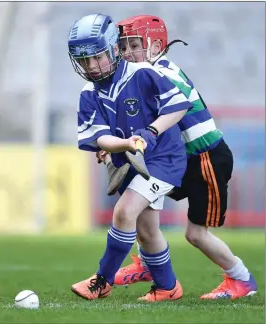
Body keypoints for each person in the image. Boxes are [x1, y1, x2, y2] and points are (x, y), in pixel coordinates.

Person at [111, 15, 258, 300]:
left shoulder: (162, 72)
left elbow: (168, 110)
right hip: (182, 159)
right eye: (124, 46)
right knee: (139, 200)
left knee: (195, 234)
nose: (127, 52)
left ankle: (242, 280)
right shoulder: (147, 74)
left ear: (155, 45)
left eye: (134, 45)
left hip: (207, 159)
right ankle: (147, 263)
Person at [68, 13, 194, 302]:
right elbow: (101, 138)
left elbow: (178, 106)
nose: (91, 66)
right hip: (132, 163)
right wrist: (123, 143)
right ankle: (168, 288)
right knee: (147, 231)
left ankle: (102, 280)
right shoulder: (88, 93)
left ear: (114, 49)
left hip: (164, 159)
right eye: (84, 60)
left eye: (97, 57)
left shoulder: (142, 73)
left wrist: (150, 131)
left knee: (124, 212)